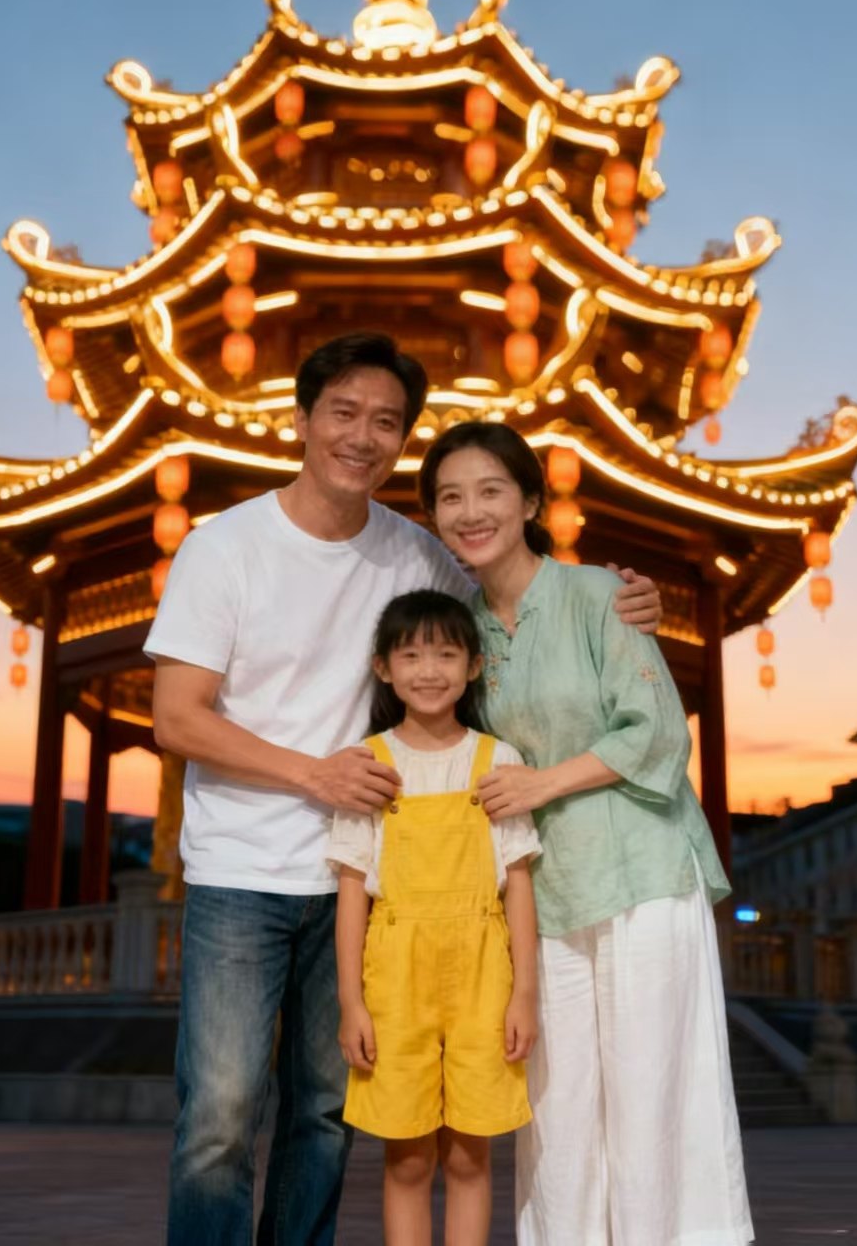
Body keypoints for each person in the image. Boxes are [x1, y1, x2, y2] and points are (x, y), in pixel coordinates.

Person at [146, 332, 662, 1246]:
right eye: (343, 413)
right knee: (220, 1116)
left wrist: (610, 600)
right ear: (301, 419)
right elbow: (176, 719)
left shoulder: (417, 556)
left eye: (387, 422)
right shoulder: (222, 548)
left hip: (369, 890)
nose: (363, 436)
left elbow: (509, 602)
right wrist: (313, 772)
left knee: (324, 1113)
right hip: (243, 869)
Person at [419, 420, 755, 1246]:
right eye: (451, 497)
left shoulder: (601, 595)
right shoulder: (459, 632)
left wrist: (542, 783)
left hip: (641, 870)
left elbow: (656, 732)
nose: (471, 512)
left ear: (531, 502)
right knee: (556, 1103)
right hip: (542, 888)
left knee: (651, 1090)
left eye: (491, 491)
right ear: (433, 517)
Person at [329, 590, 540, 1246]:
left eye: (446, 655)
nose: (429, 671)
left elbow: (519, 883)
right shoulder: (369, 763)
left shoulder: (498, 760)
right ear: (383, 668)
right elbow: (352, 891)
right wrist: (351, 1002)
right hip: (395, 975)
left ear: (473, 666)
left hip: (483, 972)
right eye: (411, 655)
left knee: (471, 1156)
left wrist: (525, 994)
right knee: (409, 1158)